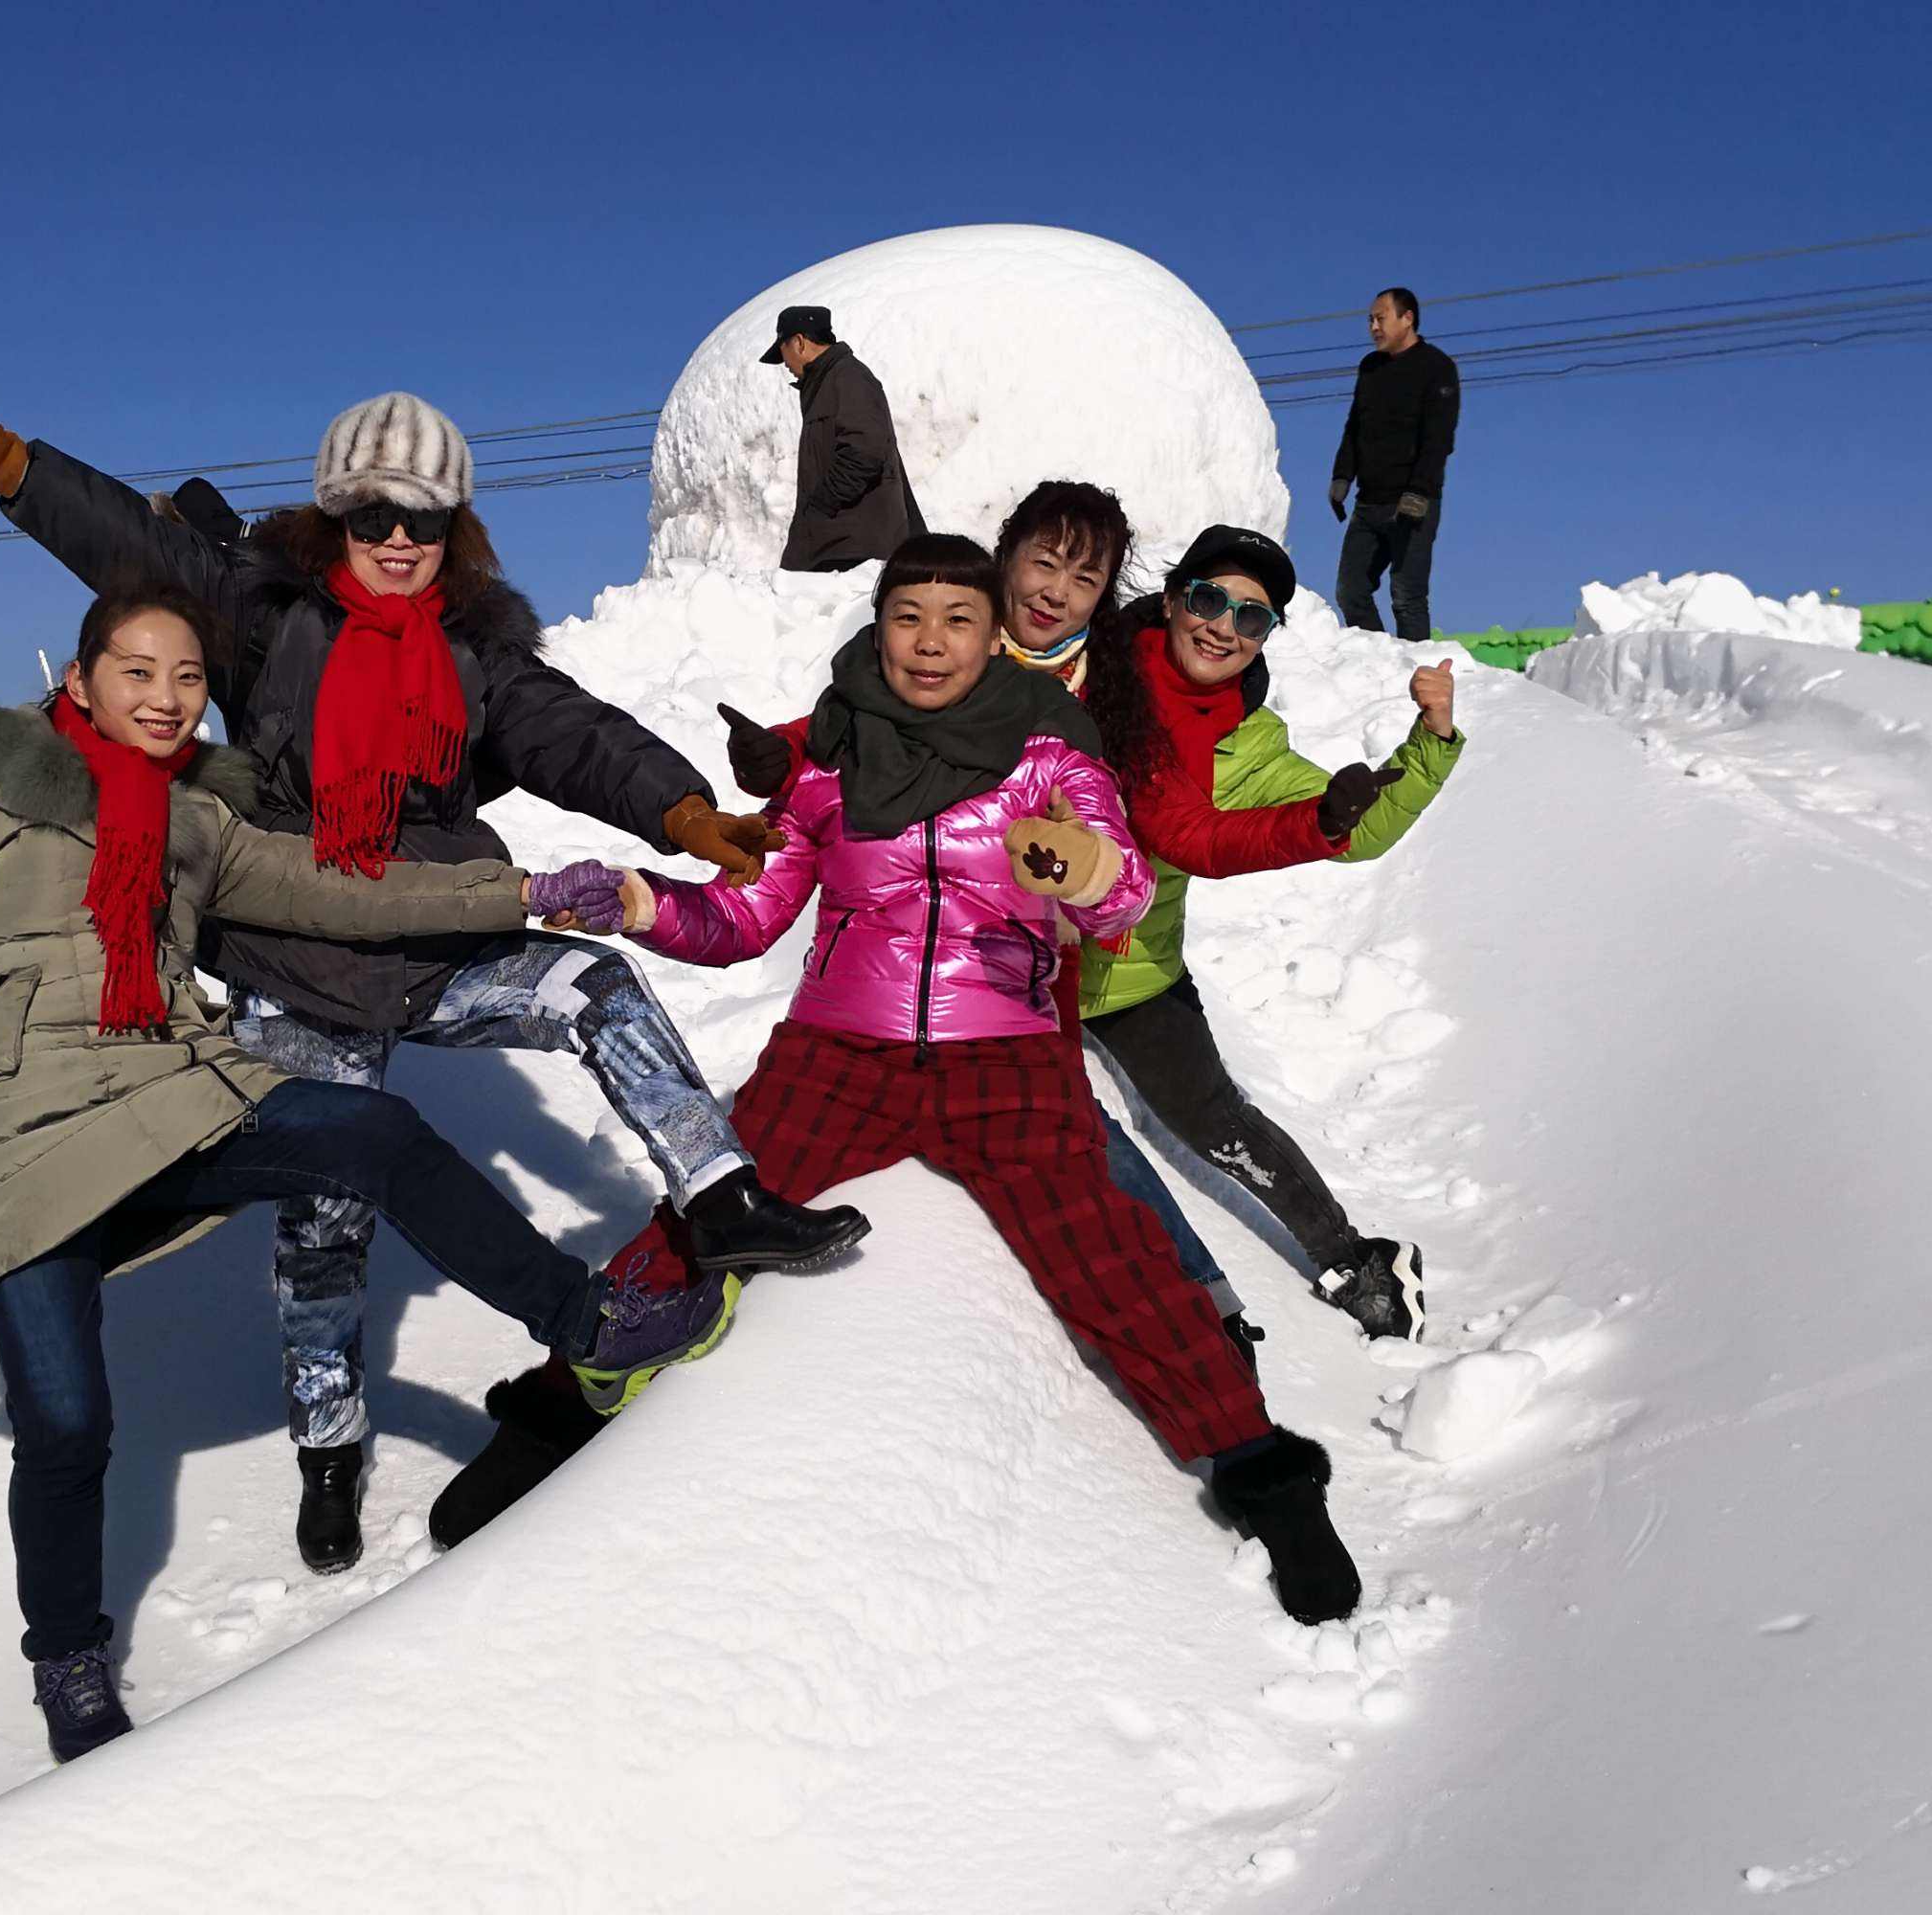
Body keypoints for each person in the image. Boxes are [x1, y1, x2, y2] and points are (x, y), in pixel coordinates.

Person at [0, 349, 865, 1576]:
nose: (400, 539)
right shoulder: (262, 612)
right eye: (376, 514)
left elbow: (572, 735)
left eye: (428, 518)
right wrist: (10, 465)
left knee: (590, 985)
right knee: (323, 1227)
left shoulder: (478, 653)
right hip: (299, 953)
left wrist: (677, 809)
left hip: (439, 934)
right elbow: (135, 552)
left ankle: (720, 1199)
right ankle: (329, 1443)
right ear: (335, 514)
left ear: (457, 527)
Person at [0, 588, 739, 1763]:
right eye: (137, 673)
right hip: (11, 1137)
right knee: (67, 1424)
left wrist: (522, 894)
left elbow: (349, 889)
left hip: (168, 1091)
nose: (167, 698)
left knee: (370, 1132)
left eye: (184, 677)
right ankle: (67, 1656)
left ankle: (590, 1320)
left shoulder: (197, 823)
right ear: (79, 684)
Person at [449, 535, 1363, 1626]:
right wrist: (640, 902)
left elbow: (1118, 901)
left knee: (1102, 1245)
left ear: (994, 635)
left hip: (1008, 1051)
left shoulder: (1053, 758)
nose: (931, 642)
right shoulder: (829, 763)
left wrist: (1087, 870)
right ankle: (558, 1408)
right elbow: (744, 915)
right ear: (879, 624)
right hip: (839, 1051)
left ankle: (1261, 1469)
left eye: (958, 618)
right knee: (705, 1217)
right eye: (908, 615)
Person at [715, 484, 1357, 1347]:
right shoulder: (952, 639)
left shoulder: (1120, 686)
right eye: (1043, 562)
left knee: (1147, 1119)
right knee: (1063, 1120)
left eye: (1084, 579)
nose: (1055, 590)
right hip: (953, 949)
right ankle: (1200, 1299)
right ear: (1006, 556)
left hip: (1085, 945)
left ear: (1108, 595)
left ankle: (1261, 1282)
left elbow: (1180, 825)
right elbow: (859, 720)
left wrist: (1310, 822)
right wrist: (784, 753)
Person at [1081, 525, 1464, 1339]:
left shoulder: (1249, 746)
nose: (1224, 625)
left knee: (1216, 1121)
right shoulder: (1087, 669)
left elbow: (1352, 829)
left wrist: (1426, 745)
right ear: (1173, 596)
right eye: (1210, 598)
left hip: (1132, 973)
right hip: (1009, 962)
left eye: (1251, 617)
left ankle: (1355, 1261)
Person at [1327, 287, 1460, 642]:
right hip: (1369, 503)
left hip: (1413, 502)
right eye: (1369, 320)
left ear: (1407, 318)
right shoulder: (1370, 368)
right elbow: (1355, 426)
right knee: (1350, 591)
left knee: (1407, 597)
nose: (1373, 326)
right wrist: (1342, 475)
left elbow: (1438, 440)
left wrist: (1418, 493)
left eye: (1380, 318)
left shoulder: (1437, 368)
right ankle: (1382, 664)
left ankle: (1416, 672)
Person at [767, 304, 924, 572]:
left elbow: (865, 451)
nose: (785, 365)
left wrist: (822, 505)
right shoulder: (826, 383)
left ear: (799, 342)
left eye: (783, 352)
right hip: (835, 546)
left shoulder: (849, 378)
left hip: (854, 550)